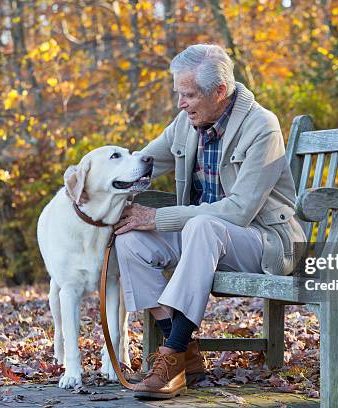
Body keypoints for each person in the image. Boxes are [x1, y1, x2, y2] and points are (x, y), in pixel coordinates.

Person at [113, 43, 306, 399]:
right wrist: (98, 183)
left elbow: (238, 212)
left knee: (201, 225)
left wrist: (158, 217)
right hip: (205, 237)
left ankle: (170, 356)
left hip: (265, 243)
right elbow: (142, 162)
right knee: (130, 238)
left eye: (187, 95)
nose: (180, 103)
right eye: (178, 94)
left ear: (220, 91)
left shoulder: (261, 126)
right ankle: (183, 350)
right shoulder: (185, 123)